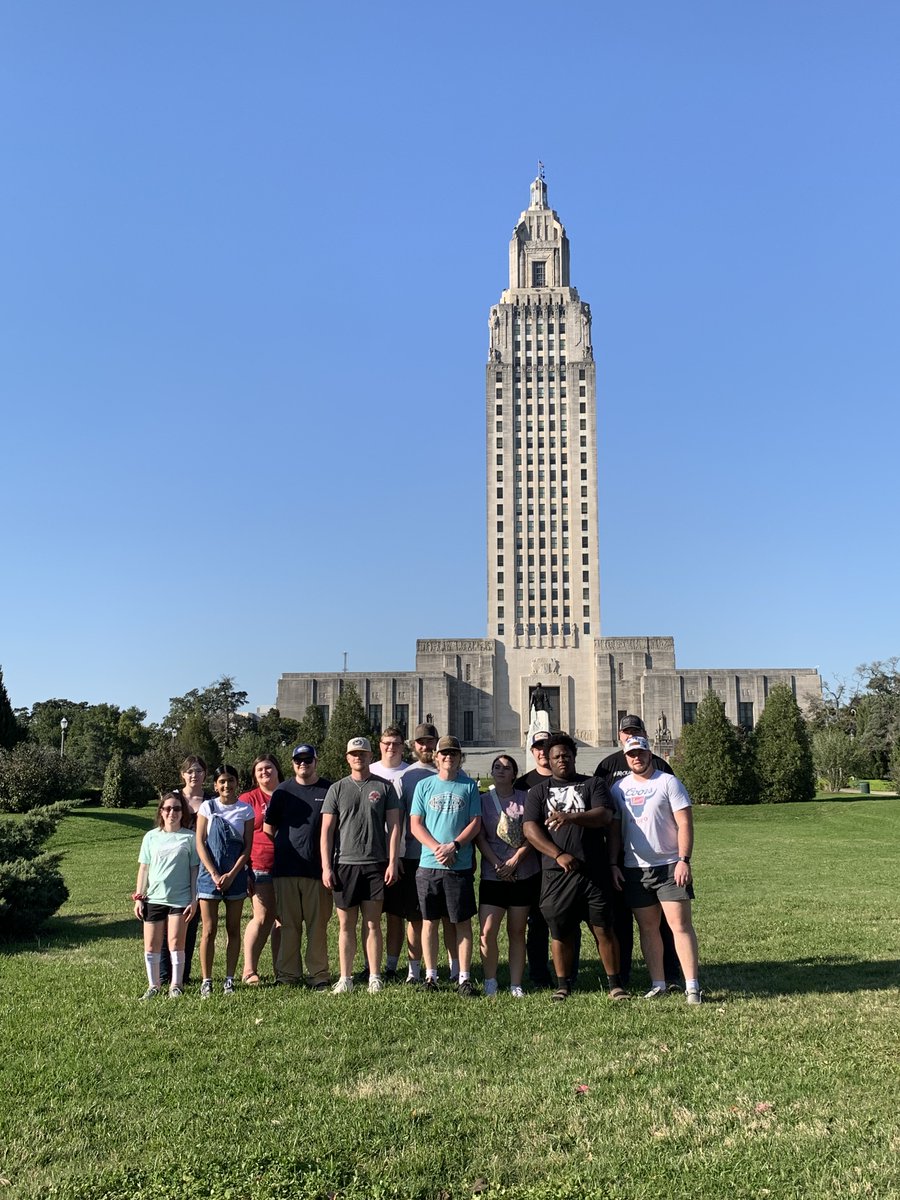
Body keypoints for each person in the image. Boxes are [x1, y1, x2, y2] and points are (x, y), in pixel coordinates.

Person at [522, 733, 626, 1003]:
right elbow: (530, 829)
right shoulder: (538, 792)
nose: (562, 760)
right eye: (556, 756)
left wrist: (570, 817)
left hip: (594, 870)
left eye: (566, 755)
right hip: (557, 874)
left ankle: (615, 984)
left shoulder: (593, 784)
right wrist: (558, 855)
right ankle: (563, 984)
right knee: (560, 930)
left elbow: (604, 815)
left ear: (574, 756)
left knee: (602, 928)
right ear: (548, 759)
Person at [609, 736, 702, 1004]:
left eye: (641, 753)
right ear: (625, 758)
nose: (636, 758)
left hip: (670, 865)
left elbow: (685, 823)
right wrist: (614, 863)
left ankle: (692, 986)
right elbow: (615, 830)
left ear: (650, 754)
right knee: (648, 928)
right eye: (631, 754)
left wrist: (684, 859)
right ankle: (658, 983)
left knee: (680, 926)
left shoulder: (668, 782)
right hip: (635, 868)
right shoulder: (619, 788)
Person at [594, 714, 681, 987]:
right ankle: (624, 974)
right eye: (625, 732)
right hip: (621, 858)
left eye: (635, 731)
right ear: (619, 736)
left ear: (644, 734)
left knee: (664, 922)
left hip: (661, 856)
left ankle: (670, 973)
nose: (629, 736)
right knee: (621, 920)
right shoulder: (607, 767)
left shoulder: (660, 766)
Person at [321, 737, 401, 994]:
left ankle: (374, 976)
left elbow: (394, 828)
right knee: (346, 925)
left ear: (370, 756)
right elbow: (326, 831)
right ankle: (346, 977)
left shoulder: (384, 787)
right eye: (354, 754)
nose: (359, 758)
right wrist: (326, 866)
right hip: (345, 864)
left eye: (363, 754)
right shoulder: (337, 789)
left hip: (375, 865)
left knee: (373, 923)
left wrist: (392, 861)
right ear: (347, 758)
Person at [409, 735, 482, 996]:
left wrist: (455, 846)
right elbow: (415, 823)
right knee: (429, 921)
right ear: (436, 757)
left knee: (461, 922)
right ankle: (430, 976)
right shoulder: (424, 786)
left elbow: (475, 822)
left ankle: (463, 977)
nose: (448, 757)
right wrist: (436, 848)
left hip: (458, 865)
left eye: (454, 753)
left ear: (460, 757)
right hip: (429, 864)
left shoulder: (469, 786)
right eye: (444, 753)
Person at [262, 744, 332, 989]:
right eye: (298, 760)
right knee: (289, 926)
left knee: (317, 926)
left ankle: (319, 976)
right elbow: (269, 828)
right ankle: (288, 976)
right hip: (286, 869)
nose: (303, 764)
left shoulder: (329, 789)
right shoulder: (283, 791)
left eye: (308, 759)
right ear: (292, 763)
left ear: (316, 760)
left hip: (318, 870)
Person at [515, 731, 578, 987]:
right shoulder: (522, 784)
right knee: (537, 923)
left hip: (563, 865)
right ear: (532, 752)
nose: (542, 752)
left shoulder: (572, 781)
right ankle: (539, 974)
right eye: (537, 747)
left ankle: (569, 973)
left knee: (568, 921)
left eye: (545, 747)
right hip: (533, 865)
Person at [475, 754, 539, 997]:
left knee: (517, 931)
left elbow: (533, 834)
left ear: (515, 773)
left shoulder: (527, 798)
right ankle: (490, 980)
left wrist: (514, 861)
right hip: (494, 875)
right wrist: (497, 863)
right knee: (487, 930)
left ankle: (515, 983)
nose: (500, 771)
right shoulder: (482, 801)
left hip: (522, 872)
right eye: (496, 767)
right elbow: (479, 836)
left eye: (506, 767)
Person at [195, 764, 255, 998]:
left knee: (233, 928)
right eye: (222, 781)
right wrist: (213, 873)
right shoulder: (207, 808)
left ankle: (229, 979)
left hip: (236, 876)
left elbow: (247, 847)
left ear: (237, 783)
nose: (226, 785)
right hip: (209, 877)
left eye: (230, 781)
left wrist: (231, 874)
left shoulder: (245, 811)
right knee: (208, 930)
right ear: (215, 785)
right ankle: (207, 980)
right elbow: (200, 842)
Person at [133, 792, 199, 999]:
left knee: (176, 943)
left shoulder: (190, 838)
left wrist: (194, 899)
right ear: (161, 811)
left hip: (180, 899)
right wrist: (139, 897)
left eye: (177, 808)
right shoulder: (150, 837)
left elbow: (194, 871)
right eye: (168, 808)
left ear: (183, 812)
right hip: (153, 898)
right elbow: (144, 868)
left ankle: (176, 985)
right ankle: (154, 986)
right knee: (151, 945)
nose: (172, 812)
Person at [158, 754, 209, 986]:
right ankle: (163, 975)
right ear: (183, 774)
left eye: (198, 771)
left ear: (204, 775)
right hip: (172, 866)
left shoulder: (211, 800)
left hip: (199, 864)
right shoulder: (173, 799)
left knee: (189, 919)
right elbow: (161, 830)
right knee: (163, 922)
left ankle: (183, 975)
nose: (194, 775)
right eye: (190, 771)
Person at [369, 726, 412, 981]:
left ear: (402, 746)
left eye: (396, 743)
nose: (391, 747)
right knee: (371, 915)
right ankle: (369, 963)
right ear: (380, 744)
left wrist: (397, 858)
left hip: (403, 854)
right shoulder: (370, 770)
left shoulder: (411, 773)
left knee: (396, 913)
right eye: (387, 743)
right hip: (372, 853)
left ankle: (392, 966)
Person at [240, 754, 283, 985]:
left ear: (277, 770)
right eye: (259, 770)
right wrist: (244, 869)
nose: (265, 772)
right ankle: (249, 969)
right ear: (254, 775)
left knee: (284, 919)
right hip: (259, 865)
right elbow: (239, 837)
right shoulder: (249, 799)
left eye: (269, 768)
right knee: (263, 916)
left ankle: (281, 970)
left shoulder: (289, 793)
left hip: (288, 866)